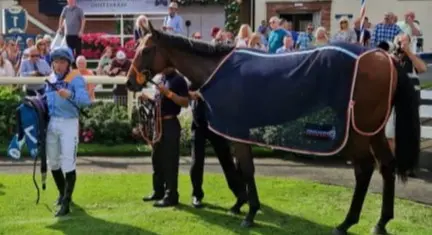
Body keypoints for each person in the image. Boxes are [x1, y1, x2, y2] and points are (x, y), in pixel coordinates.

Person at [45, 46, 91, 216]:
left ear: (68, 63)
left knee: (67, 162)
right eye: (55, 61)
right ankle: (63, 194)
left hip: (69, 123)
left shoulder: (76, 78)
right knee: (53, 162)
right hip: (52, 123)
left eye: (62, 61)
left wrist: (70, 95)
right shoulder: (51, 77)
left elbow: (86, 101)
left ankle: (65, 203)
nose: (58, 65)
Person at [188, 91, 246, 208]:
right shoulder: (191, 80)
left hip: (215, 125)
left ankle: (241, 194)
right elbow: (186, 94)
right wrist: (190, 94)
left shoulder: (213, 77)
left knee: (226, 159)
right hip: (198, 125)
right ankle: (197, 195)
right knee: (196, 162)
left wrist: (202, 95)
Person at [142, 67, 189, 207]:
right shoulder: (162, 79)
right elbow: (159, 103)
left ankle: (171, 195)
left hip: (170, 124)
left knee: (170, 162)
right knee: (156, 160)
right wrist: (148, 100)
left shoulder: (179, 80)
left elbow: (185, 102)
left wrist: (168, 93)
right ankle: (158, 191)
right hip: (158, 123)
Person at [385, 33, 427, 177]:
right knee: (391, 134)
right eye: (398, 41)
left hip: (409, 103)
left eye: (404, 41)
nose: (401, 44)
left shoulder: (412, 58)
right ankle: (394, 163)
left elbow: (422, 69)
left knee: (410, 133)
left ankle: (410, 165)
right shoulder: (392, 58)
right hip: (393, 101)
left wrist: (408, 52)